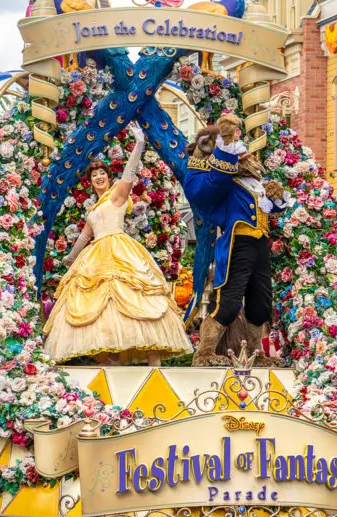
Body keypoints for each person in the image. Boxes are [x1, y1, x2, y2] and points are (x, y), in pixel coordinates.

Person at [43, 123, 192, 365]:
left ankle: (153, 356)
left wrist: (140, 144)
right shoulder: (93, 209)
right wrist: (70, 258)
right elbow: (84, 237)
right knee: (100, 306)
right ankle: (109, 359)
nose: (99, 177)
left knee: (134, 297)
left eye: (102, 174)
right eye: (94, 175)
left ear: (108, 177)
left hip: (120, 249)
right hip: (95, 255)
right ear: (90, 181)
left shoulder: (116, 196)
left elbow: (129, 174)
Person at [184, 114, 288, 366]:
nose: (244, 156)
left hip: (259, 245)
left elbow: (269, 209)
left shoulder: (252, 181)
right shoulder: (222, 180)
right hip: (237, 244)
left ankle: (256, 353)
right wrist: (223, 144)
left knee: (260, 304)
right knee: (228, 302)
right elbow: (207, 188)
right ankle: (204, 353)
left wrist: (275, 198)